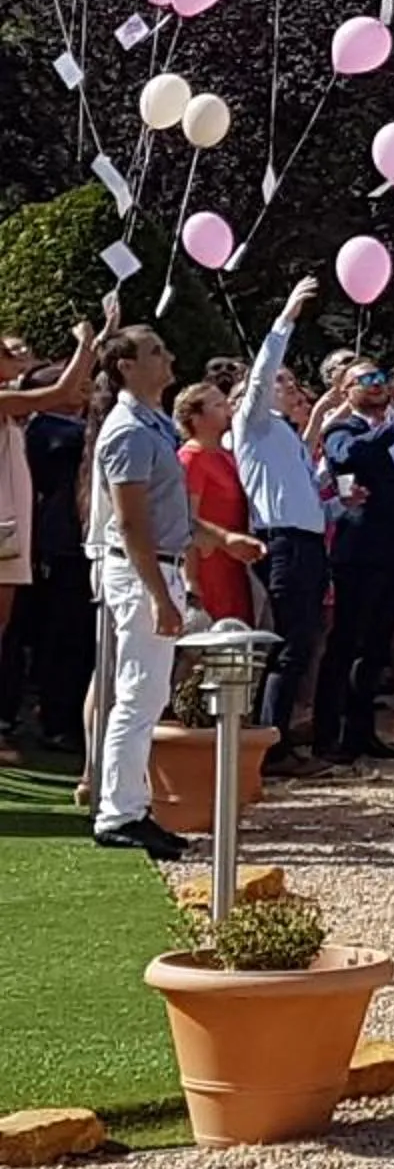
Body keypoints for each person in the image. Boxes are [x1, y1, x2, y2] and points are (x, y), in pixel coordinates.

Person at [88, 327, 199, 857]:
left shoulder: (151, 425)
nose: (169, 356)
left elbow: (165, 510)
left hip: (157, 567)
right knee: (137, 695)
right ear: (126, 366)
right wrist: (158, 594)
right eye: (156, 351)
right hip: (142, 572)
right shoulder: (129, 431)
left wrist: (221, 538)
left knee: (146, 695)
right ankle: (120, 813)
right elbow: (132, 523)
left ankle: (131, 805)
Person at [230, 277, 335, 774]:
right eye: (283, 382)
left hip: (308, 543)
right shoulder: (251, 425)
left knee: (304, 641)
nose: (289, 386)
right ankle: (270, 747)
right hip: (285, 544)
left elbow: (303, 495)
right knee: (291, 644)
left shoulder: (286, 436)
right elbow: (259, 376)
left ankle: (278, 736)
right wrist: (286, 318)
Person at [0, 304, 106, 764]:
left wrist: (98, 341)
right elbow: (59, 390)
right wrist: (86, 343)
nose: (16, 360)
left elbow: (67, 389)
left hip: (12, 535)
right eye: (8, 354)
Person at [320, 361, 394, 764]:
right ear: (346, 390)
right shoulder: (342, 430)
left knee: (378, 647)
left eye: (380, 378)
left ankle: (362, 732)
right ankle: (328, 735)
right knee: (347, 642)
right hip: (360, 554)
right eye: (365, 380)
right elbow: (351, 458)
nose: (377, 385)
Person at [171, 385, 265, 629]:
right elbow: (186, 519)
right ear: (195, 417)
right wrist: (190, 580)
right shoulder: (191, 458)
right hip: (208, 565)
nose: (227, 409)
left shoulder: (226, 456)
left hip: (235, 562)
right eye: (217, 405)